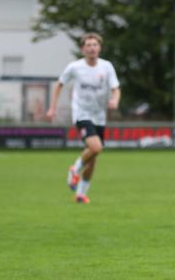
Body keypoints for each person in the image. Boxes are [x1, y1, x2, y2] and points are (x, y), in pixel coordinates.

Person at [46, 33, 120, 204]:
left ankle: (80, 194)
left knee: (93, 157)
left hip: (99, 116)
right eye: (88, 45)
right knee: (96, 147)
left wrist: (115, 99)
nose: (92, 48)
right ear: (82, 49)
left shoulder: (107, 67)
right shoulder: (75, 67)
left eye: (95, 45)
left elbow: (116, 88)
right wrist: (52, 107)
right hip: (81, 114)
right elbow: (59, 84)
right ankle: (74, 169)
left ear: (99, 48)